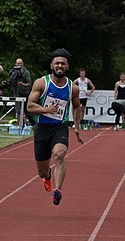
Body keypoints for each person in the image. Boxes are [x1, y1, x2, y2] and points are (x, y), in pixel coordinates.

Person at [27, 48, 84, 206]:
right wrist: (46, 110)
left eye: (63, 63)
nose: (60, 65)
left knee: (59, 155)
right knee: (42, 171)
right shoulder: (41, 83)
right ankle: (47, 176)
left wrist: (76, 126)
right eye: (57, 63)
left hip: (60, 127)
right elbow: (30, 106)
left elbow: (77, 107)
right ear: (52, 65)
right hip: (42, 128)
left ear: (67, 67)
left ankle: (57, 190)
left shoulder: (73, 88)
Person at [3, 58, 35, 126]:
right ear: (15, 64)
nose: (19, 65)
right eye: (18, 63)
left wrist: (23, 84)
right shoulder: (12, 71)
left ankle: (34, 124)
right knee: (18, 110)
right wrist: (6, 82)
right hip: (16, 92)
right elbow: (10, 81)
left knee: (26, 110)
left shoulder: (26, 72)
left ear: (23, 64)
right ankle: (21, 125)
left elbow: (29, 84)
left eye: (20, 63)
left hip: (24, 93)